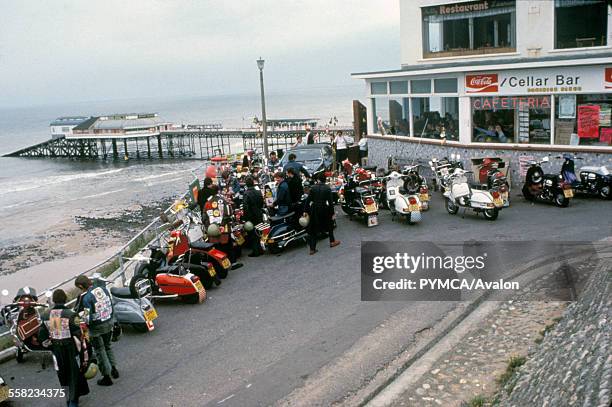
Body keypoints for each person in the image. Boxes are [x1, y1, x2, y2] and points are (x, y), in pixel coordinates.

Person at [39, 289, 90, 407]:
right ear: (65, 299)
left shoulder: (45, 315)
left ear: (54, 300)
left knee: (62, 376)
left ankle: (68, 399)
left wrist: (51, 346)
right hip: (70, 349)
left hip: (56, 351)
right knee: (73, 374)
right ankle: (73, 401)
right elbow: (80, 334)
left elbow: (42, 336)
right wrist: (85, 352)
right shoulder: (71, 315)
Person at [75, 275, 118, 387]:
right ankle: (114, 369)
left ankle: (106, 376)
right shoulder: (103, 289)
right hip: (108, 322)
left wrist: (81, 323)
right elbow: (111, 305)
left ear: (81, 286)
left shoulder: (86, 298)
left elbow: (86, 317)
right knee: (108, 346)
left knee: (100, 350)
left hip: (97, 328)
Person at [304, 171, 340, 255]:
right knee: (330, 225)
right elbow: (330, 203)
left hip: (314, 209)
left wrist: (305, 211)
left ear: (318, 180)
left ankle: (312, 249)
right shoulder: (327, 188)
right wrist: (332, 213)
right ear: (325, 179)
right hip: (324, 208)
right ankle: (332, 241)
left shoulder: (313, 188)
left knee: (313, 229)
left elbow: (308, 200)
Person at [242, 176, 264, 257]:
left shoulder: (246, 193)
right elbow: (262, 202)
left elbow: (245, 207)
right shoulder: (258, 192)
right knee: (259, 232)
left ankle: (255, 251)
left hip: (251, 216)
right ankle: (260, 249)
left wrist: (246, 218)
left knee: (252, 234)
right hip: (259, 213)